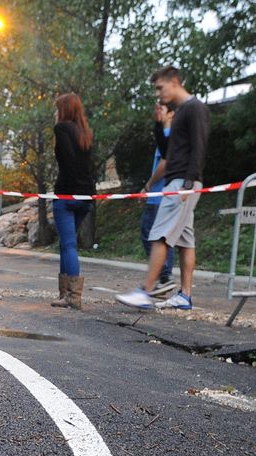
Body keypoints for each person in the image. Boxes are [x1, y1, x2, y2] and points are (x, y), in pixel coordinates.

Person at [118, 66, 210, 311]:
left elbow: (200, 146)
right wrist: (159, 125)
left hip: (182, 183)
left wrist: (189, 183)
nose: (158, 94)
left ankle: (145, 291)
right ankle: (185, 296)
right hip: (179, 181)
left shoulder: (195, 108)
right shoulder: (179, 112)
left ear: (175, 81)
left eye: (160, 87)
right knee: (185, 241)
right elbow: (168, 150)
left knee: (159, 235)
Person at [49, 92, 96, 310]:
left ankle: (72, 297)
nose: (56, 113)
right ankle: (65, 294)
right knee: (67, 244)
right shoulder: (85, 132)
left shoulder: (61, 129)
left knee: (68, 244)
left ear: (64, 110)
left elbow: (67, 161)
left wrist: (63, 190)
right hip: (86, 196)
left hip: (67, 195)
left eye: (58, 108)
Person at [138, 100, 176, 292]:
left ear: (171, 114)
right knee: (160, 236)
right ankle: (163, 277)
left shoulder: (169, 134)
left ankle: (163, 276)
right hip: (162, 194)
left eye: (160, 108)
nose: (156, 112)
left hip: (159, 195)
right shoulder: (166, 134)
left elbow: (165, 164)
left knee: (150, 234)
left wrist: (149, 185)